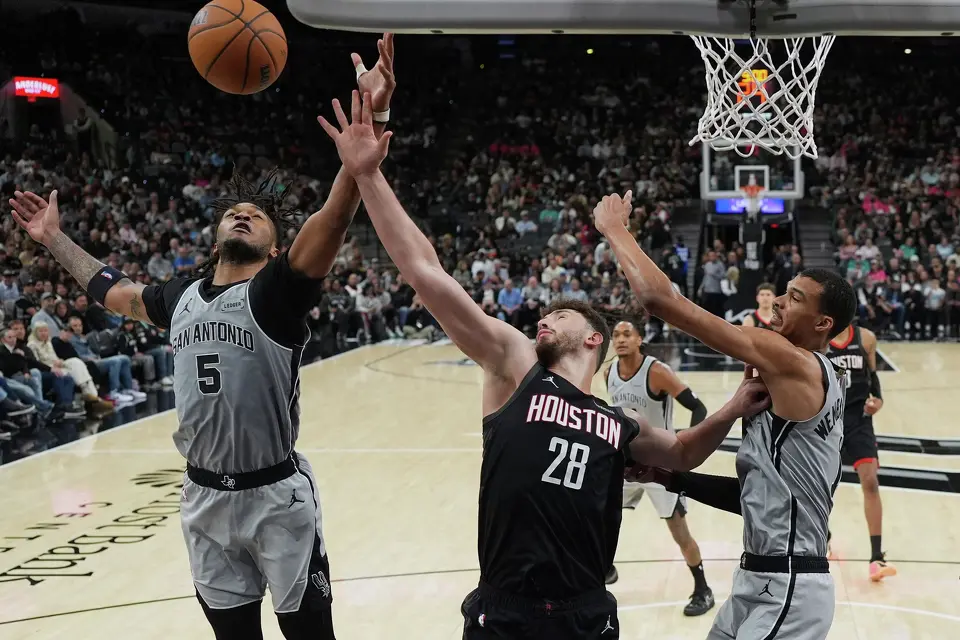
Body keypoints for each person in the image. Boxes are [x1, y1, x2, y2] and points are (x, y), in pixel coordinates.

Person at [318, 91, 772, 640]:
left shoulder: (616, 424)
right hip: (506, 610)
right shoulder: (515, 368)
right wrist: (368, 176)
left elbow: (683, 452)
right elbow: (424, 269)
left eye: (559, 316)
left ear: (592, 341)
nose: (544, 319)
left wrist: (730, 408)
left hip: (586, 615)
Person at [8, 34, 397, 640]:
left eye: (259, 215)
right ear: (216, 237)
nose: (242, 214)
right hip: (203, 497)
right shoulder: (178, 297)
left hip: (277, 499)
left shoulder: (278, 292)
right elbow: (111, 290)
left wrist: (361, 151)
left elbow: (334, 220)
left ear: (274, 247)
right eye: (233, 212)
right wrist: (54, 238)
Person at [594, 191, 856, 640]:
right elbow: (754, 497)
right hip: (760, 578)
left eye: (793, 298)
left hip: (789, 585)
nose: (778, 304)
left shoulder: (790, 358)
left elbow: (660, 301)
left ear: (823, 324)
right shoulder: (813, 382)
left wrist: (615, 229)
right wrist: (670, 479)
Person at [604, 319, 714, 616]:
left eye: (628, 334)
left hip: (661, 467)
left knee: (679, 532)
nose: (621, 339)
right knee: (599, 512)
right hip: (627, 464)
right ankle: (604, 568)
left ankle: (703, 589)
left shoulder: (657, 372)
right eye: (616, 335)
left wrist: (686, 449)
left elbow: (699, 408)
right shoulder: (608, 372)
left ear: (640, 339)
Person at [825, 322, 896, 582]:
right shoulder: (819, 338)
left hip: (859, 420)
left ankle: (877, 556)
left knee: (871, 483)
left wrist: (878, 400)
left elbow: (873, 380)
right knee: (819, 486)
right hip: (828, 420)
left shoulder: (866, 338)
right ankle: (824, 539)